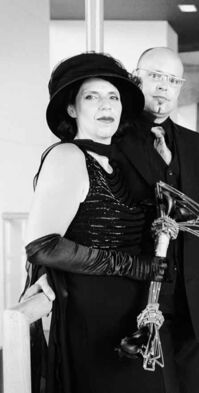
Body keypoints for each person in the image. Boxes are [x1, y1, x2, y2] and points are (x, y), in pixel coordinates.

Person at [23, 52, 168, 393]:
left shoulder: (117, 159)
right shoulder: (67, 156)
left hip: (132, 312)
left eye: (113, 97)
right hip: (93, 314)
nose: (107, 105)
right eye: (92, 96)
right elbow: (43, 245)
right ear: (72, 109)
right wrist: (132, 264)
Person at [111, 47, 199, 393]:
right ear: (136, 79)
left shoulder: (198, 146)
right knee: (149, 382)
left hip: (192, 291)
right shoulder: (113, 141)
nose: (164, 87)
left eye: (172, 80)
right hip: (138, 290)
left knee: (192, 381)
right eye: (155, 77)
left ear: (180, 88)